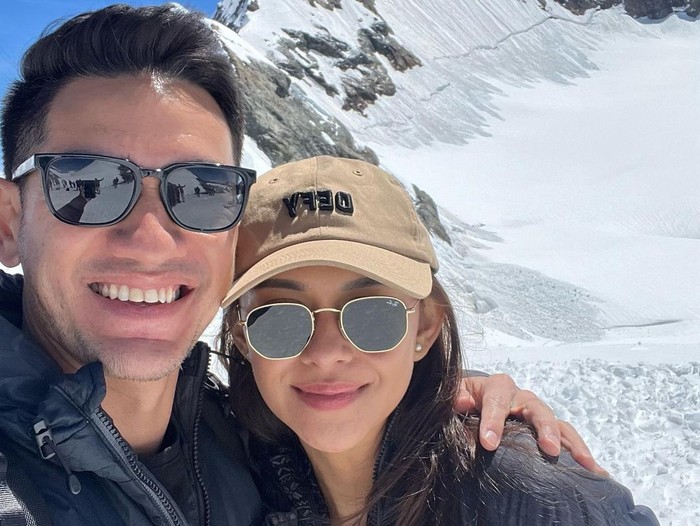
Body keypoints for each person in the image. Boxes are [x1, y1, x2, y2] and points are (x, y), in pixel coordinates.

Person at [0, 4, 600, 525]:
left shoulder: (247, 451)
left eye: (201, 191)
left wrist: (450, 406)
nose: (152, 240)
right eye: (87, 186)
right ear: (9, 223)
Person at [220, 156, 659, 525]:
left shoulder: (527, 500)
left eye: (372, 315)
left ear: (425, 326)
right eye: (278, 321)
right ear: (242, 336)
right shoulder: (231, 473)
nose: (326, 353)